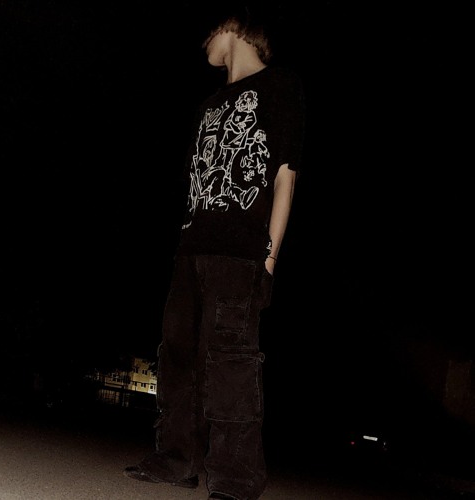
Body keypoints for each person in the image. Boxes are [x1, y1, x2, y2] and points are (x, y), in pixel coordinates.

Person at [123, 6, 306, 500]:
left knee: (230, 364)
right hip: (191, 251)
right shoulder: (208, 105)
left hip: (239, 253)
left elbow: (285, 179)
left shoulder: (280, 86)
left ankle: (235, 478)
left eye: (210, 32)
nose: (203, 43)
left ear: (234, 28)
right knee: (177, 356)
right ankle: (176, 459)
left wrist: (269, 260)